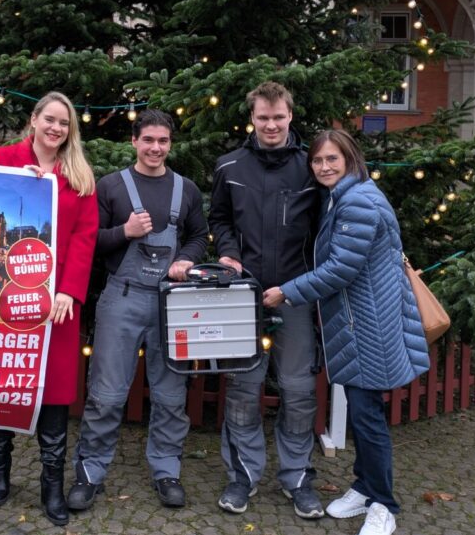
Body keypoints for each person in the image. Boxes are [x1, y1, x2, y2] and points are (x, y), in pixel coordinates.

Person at [262, 129, 429, 535]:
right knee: (361, 407)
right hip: (359, 321)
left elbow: (341, 269)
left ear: (350, 158)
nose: (324, 167)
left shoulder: (358, 201)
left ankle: (383, 504)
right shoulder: (346, 195)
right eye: (318, 161)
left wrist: (287, 292)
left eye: (332, 159)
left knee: (368, 415)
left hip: (371, 324)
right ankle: (364, 486)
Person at [66, 110, 208, 511]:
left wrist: (186, 259)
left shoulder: (186, 189)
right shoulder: (111, 187)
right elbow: (88, 241)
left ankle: (166, 470)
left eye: (163, 141)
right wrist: (123, 233)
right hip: (122, 298)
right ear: (134, 141)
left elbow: (198, 236)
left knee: (169, 394)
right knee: (107, 394)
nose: (155, 148)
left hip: (171, 302)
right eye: (148, 140)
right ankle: (90, 471)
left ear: (170, 144)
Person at [0, 92, 99, 527]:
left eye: (64, 123)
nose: (55, 128)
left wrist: (70, 291)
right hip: (9, 300)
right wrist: (19, 187)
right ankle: (0, 472)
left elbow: (85, 237)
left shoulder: (80, 176)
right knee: (5, 383)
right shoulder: (1, 159)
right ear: (34, 120)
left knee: (53, 392)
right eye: (49, 119)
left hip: (57, 307)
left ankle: (52, 484)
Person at [208, 82, 323, 518]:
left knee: (297, 389)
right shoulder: (229, 166)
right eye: (263, 117)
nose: (271, 125)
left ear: (290, 116)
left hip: (294, 293)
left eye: (278, 117)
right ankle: (243, 476)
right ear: (251, 119)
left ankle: (297, 476)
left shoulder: (311, 167)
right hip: (243, 294)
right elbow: (219, 216)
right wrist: (228, 253)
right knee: (242, 387)